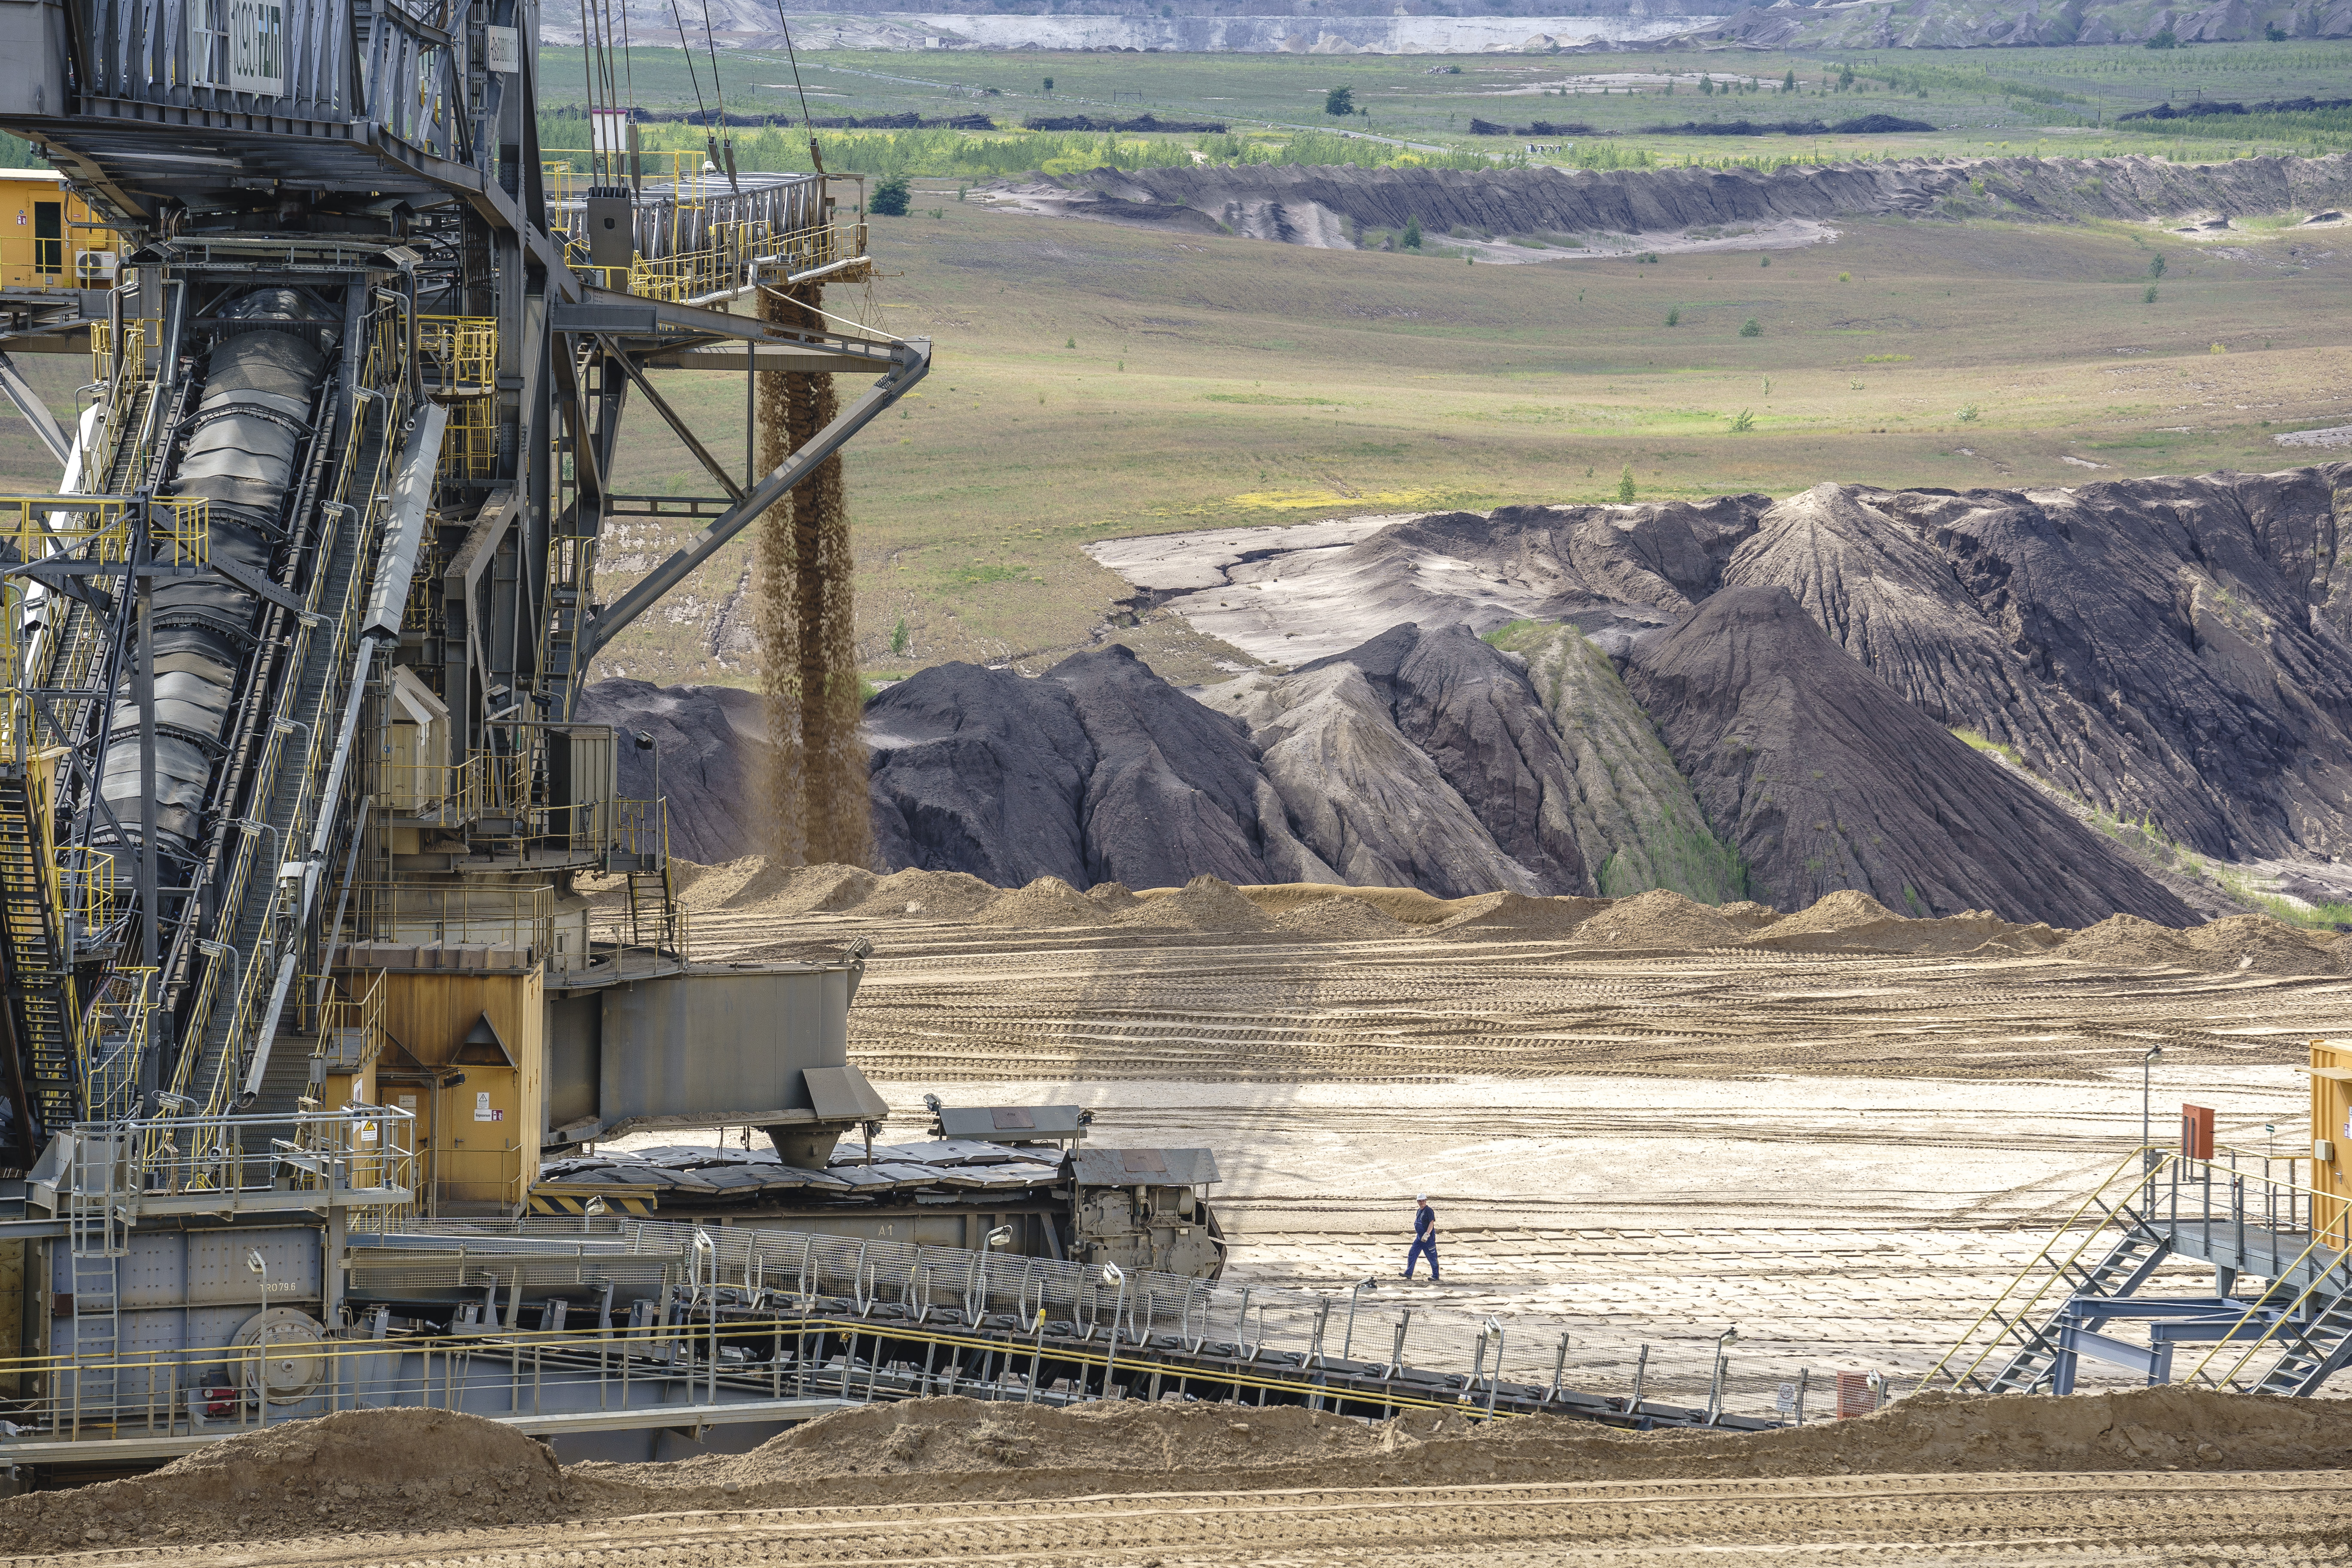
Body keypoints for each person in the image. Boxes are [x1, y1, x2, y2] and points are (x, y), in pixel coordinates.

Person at [1404, 1194, 1440, 1282]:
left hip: (1428, 1240)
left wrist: (1427, 1234)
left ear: (1426, 1201)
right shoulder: (1419, 1211)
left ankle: (1435, 1275)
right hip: (1419, 1239)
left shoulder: (1429, 1211)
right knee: (1412, 1254)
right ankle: (1409, 1273)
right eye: (1420, 1201)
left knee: (1432, 1257)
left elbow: (1431, 1223)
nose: (1422, 1202)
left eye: (1423, 1201)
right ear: (1418, 1202)